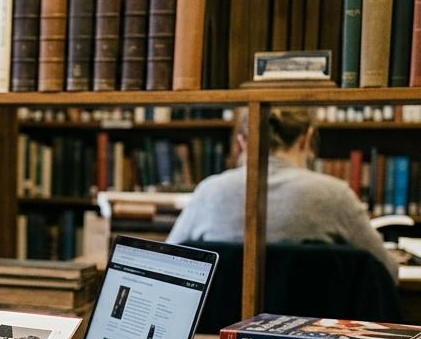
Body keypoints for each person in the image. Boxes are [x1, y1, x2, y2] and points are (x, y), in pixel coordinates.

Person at [167, 107, 397, 282]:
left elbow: (167, 267)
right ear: (307, 138)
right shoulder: (335, 195)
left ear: (243, 141)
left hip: (220, 338)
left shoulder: (210, 192)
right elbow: (387, 272)